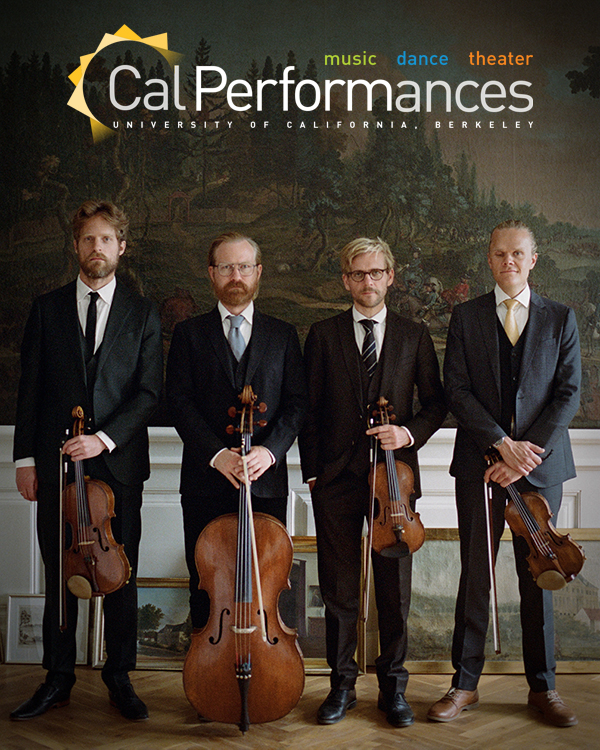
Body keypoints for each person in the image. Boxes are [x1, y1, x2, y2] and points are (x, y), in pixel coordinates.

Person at [11, 200, 163, 721]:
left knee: (122, 571)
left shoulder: (143, 312)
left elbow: (148, 393)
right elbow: (29, 389)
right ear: (76, 247)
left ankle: (120, 676)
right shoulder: (47, 307)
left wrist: (104, 441)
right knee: (60, 571)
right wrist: (25, 460)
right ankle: (58, 677)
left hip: (118, 465)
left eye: (106, 239)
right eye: (87, 240)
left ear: (121, 247)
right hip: (55, 466)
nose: (96, 248)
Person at [428, 220, 581, 727]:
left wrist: (524, 454)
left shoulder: (561, 318)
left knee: (542, 574)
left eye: (518, 254)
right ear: (489, 259)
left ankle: (544, 687)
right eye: (500, 254)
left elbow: (568, 393)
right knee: (475, 575)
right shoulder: (466, 317)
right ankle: (464, 685)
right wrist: (499, 445)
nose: (509, 262)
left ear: (533, 259)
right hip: (479, 468)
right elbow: (457, 390)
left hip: (540, 469)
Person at [299, 237, 446, 727]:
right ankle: (341, 686)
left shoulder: (414, 333)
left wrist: (406, 432)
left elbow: (436, 403)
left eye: (376, 273)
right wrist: (315, 472)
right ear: (346, 279)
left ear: (390, 276)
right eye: (358, 274)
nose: (368, 282)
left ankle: (393, 688)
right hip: (337, 479)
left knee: (393, 589)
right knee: (339, 586)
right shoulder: (322, 334)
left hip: (395, 483)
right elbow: (309, 410)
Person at [166, 231, 306, 631]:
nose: (236, 275)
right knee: (205, 584)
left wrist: (270, 451)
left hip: (265, 482)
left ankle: (264, 669)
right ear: (211, 274)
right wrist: (217, 454)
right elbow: (179, 402)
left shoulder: (283, 335)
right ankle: (207, 680)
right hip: (204, 482)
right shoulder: (189, 334)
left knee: (264, 582)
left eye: (244, 266)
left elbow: (297, 403)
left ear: (258, 272)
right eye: (226, 267)